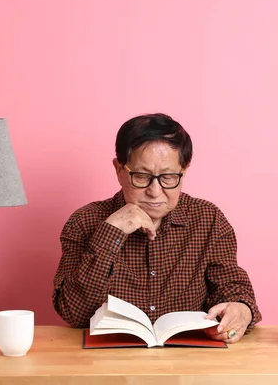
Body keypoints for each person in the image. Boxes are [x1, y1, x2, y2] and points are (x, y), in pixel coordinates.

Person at [52, 113, 261, 343]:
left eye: (169, 177)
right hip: (108, 365)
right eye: (141, 176)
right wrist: (110, 232)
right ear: (119, 169)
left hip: (189, 364)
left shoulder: (208, 219)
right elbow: (74, 314)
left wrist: (241, 309)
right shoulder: (84, 221)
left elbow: (230, 286)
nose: (154, 191)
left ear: (184, 170)